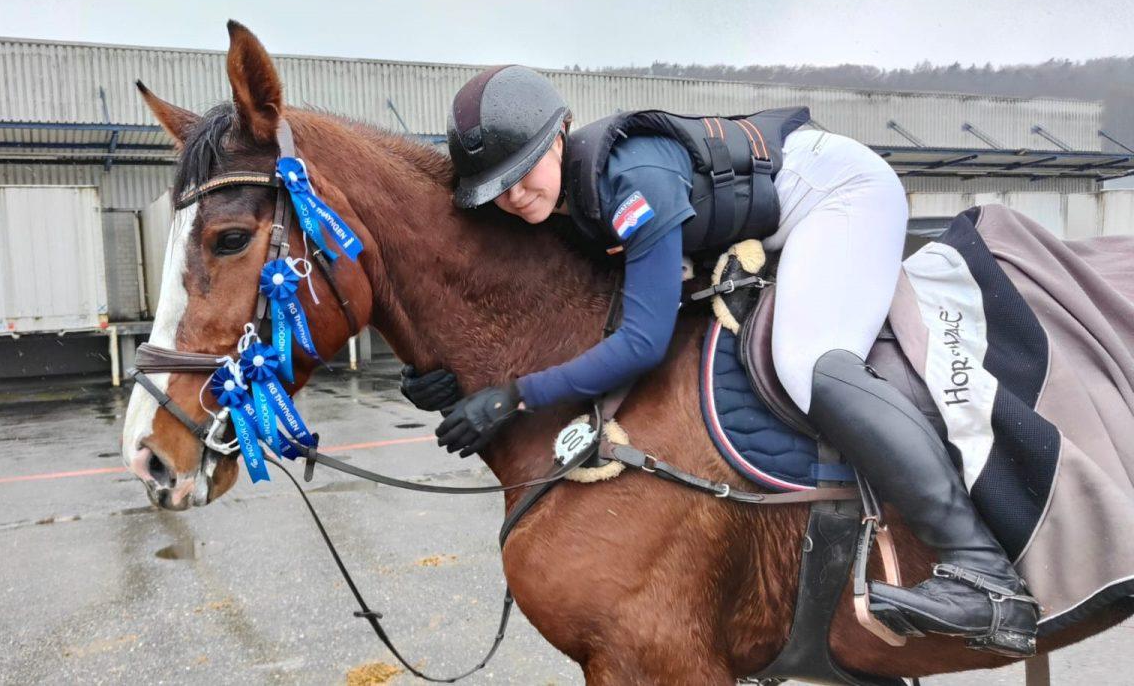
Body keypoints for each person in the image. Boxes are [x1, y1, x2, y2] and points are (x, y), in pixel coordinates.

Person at [402, 65, 1036, 656]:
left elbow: (642, 343)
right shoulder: (568, 198)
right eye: (497, 187)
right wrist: (451, 375)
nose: (514, 195)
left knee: (806, 359)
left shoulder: (630, 184)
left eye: (523, 170)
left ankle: (983, 572)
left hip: (837, 194)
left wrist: (515, 395)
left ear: (560, 134)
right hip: (781, 213)